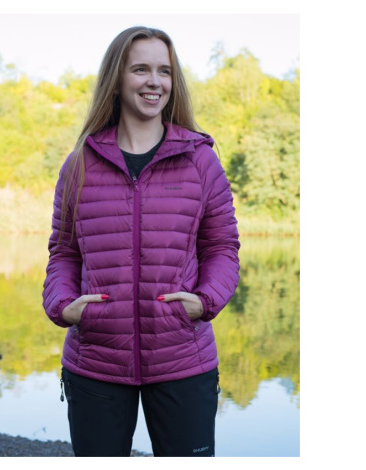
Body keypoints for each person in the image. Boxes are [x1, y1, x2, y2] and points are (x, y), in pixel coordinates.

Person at [42, 26, 240, 457]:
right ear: (116, 79)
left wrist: (204, 301)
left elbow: (222, 247)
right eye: (141, 69)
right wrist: (63, 305)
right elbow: (64, 253)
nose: (155, 81)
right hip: (95, 361)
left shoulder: (200, 160)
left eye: (164, 71)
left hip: (183, 358)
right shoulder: (79, 164)